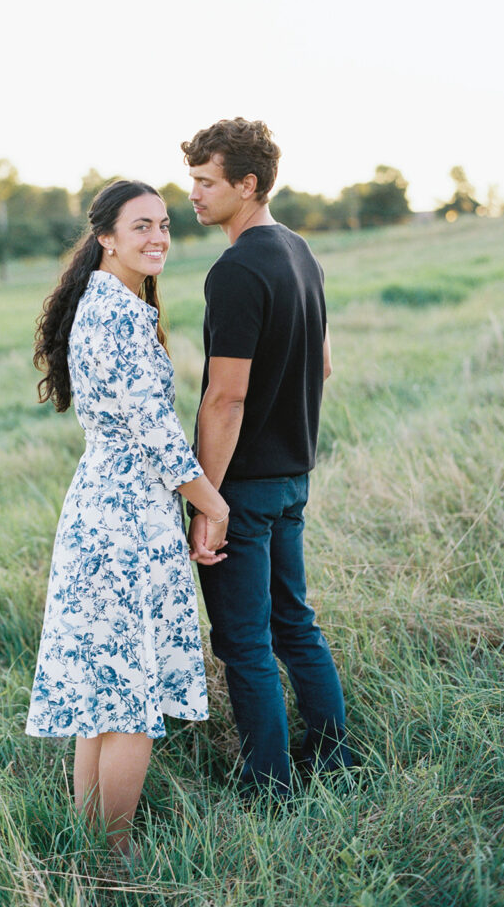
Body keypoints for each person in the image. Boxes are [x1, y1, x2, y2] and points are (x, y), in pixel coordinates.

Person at [27, 179, 230, 854]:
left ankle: (91, 846)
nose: (158, 237)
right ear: (106, 238)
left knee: (105, 697)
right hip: (127, 519)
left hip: (107, 505)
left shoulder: (108, 304)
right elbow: (156, 432)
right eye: (141, 226)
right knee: (130, 701)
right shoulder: (116, 314)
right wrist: (212, 503)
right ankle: (113, 860)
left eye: (164, 225)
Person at [181, 118, 352, 799]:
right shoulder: (301, 252)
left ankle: (269, 789)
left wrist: (207, 502)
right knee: (295, 625)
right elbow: (324, 364)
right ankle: (336, 762)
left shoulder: (236, 270)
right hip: (292, 479)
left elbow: (225, 398)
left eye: (206, 181)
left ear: (247, 184)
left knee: (245, 643)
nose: (194, 194)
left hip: (244, 489)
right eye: (193, 180)